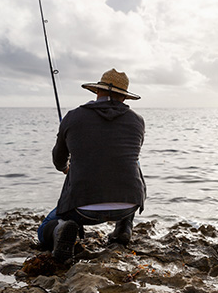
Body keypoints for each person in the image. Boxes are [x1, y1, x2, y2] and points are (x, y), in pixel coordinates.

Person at [37, 68, 146, 263]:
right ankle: (124, 228)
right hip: (130, 203)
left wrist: (66, 168)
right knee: (132, 160)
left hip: (81, 209)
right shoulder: (137, 121)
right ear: (124, 97)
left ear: (97, 91)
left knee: (45, 226)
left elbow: (58, 160)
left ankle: (60, 230)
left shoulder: (73, 117)